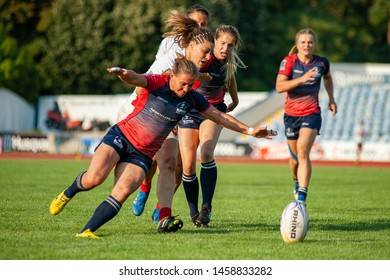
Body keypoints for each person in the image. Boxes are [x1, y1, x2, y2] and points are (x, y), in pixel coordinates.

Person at [49, 57, 277, 238]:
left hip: (143, 154)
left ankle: (86, 232)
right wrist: (124, 75)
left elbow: (219, 117)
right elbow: (136, 78)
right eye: (183, 83)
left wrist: (250, 131)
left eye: (191, 84)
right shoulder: (159, 82)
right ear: (172, 76)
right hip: (121, 137)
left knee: (121, 192)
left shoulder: (193, 99)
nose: (186, 89)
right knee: (94, 179)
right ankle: (68, 193)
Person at [117, 7, 212, 223]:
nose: (201, 27)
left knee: (177, 165)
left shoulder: (206, 50)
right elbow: (151, 81)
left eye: (204, 24)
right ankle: (145, 188)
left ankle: (162, 207)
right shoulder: (171, 47)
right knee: (153, 159)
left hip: (180, 109)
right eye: (196, 23)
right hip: (155, 110)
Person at [178, 24, 247, 227]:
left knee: (206, 152)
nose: (225, 48)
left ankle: (206, 207)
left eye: (230, 45)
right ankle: (194, 213)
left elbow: (231, 79)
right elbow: (186, 74)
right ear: (215, 41)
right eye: (223, 43)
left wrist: (235, 100)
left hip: (213, 111)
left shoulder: (228, 64)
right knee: (188, 164)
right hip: (190, 110)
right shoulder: (203, 59)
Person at [275, 28, 337, 204]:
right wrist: (302, 79)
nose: (307, 45)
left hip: (311, 114)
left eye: (310, 42)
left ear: (314, 44)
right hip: (291, 115)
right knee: (294, 160)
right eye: (303, 42)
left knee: (303, 153)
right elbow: (279, 87)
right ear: (297, 45)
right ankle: (296, 181)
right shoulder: (288, 62)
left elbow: (328, 78)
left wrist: (331, 99)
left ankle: (302, 196)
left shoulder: (322, 63)